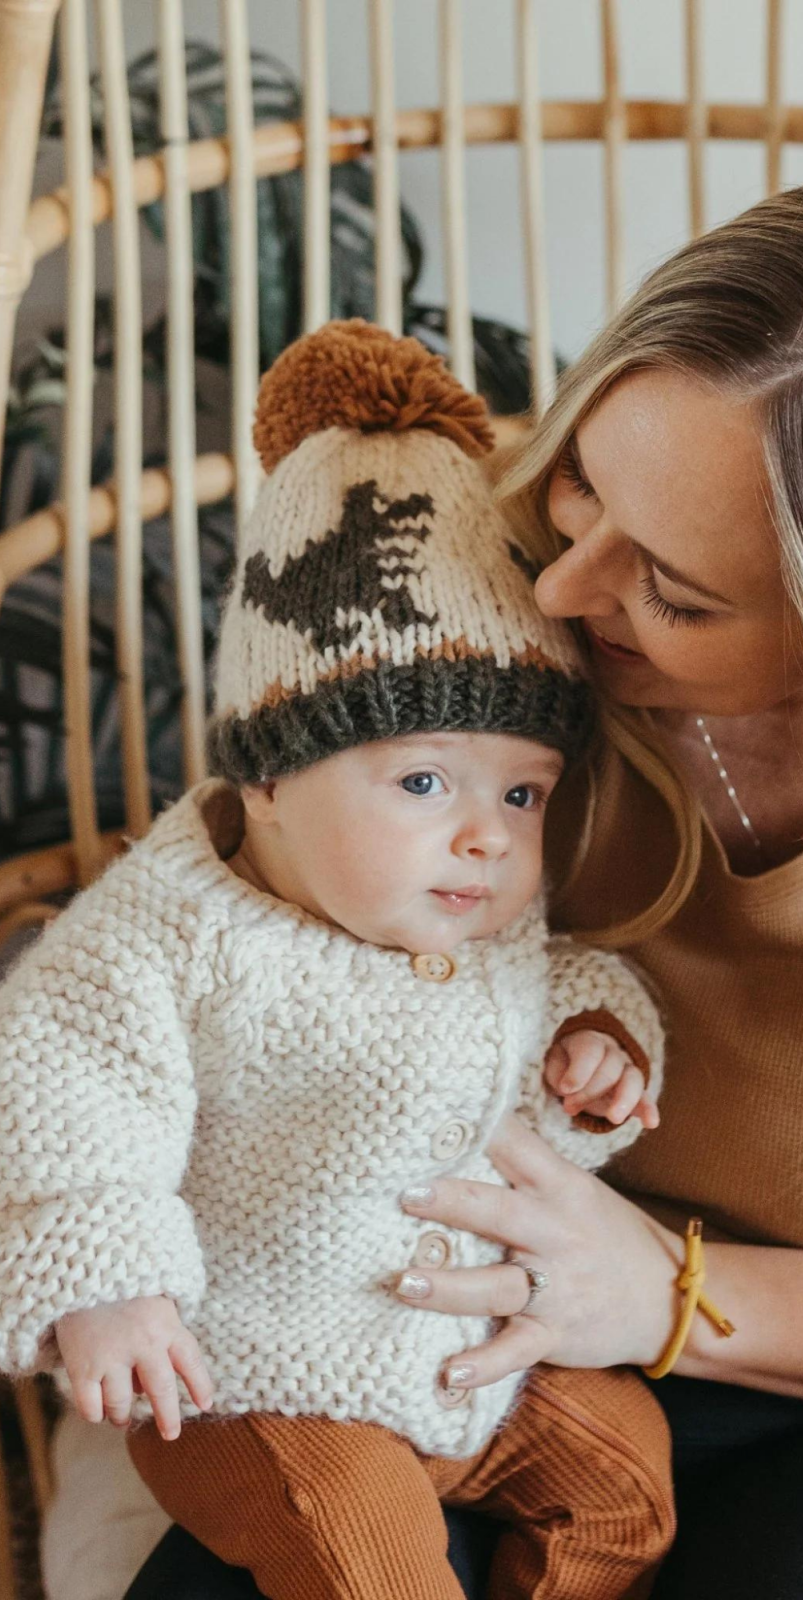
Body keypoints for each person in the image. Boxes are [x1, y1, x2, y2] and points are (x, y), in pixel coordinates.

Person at [124, 175, 803, 1599]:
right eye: (581, 481)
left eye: (677, 594)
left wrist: (668, 1297)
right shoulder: (475, 600)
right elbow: (238, 903)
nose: (565, 588)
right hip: (445, 1334)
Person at [0, 324, 682, 1599]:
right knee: (364, 1564)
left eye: (524, 794)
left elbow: (562, 983)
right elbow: (58, 1092)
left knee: (627, 1486)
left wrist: (594, 1051)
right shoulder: (174, 934)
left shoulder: (471, 907)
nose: (485, 835)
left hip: (470, 1357)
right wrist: (107, 1281)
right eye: (422, 780)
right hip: (252, 1378)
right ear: (267, 774)